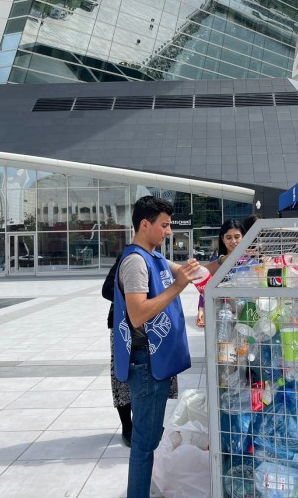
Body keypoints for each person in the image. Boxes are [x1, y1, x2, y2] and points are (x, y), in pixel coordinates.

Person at [113, 195, 199, 498]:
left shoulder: (155, 257)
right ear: (145, 224)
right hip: (144, 362)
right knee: (144, 442)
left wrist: (226, 258)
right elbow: (137, 313)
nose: (168, 231)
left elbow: (188, 271)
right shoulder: (136, 261)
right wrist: (178, 288)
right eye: (163, 225)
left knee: (148, 438)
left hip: (154, 359)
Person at [102, 255, 179, 448]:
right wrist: (137, 297)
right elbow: (107, 289)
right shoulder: (129, 258)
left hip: (154, 328)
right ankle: (128, 427)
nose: (167, 231)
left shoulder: (158, 260)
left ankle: (150, 424)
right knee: (123, 376)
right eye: (163, 226)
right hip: (124, 328)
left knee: (154, 376)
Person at [195, 219, 245, 327]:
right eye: (228, 237)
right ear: (222, 239)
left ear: (243, 237)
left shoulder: (250, 262)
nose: (233, 241)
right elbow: (205, 286)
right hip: (221, 318)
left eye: (237, 237)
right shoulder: (216, 262)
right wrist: (201, 309)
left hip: (245, 317)